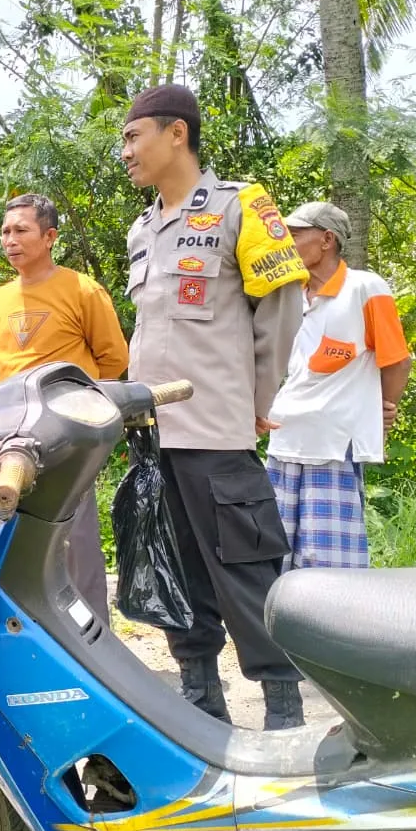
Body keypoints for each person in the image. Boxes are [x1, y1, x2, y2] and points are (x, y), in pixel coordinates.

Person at [120, 84, 309, 730]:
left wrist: (258, 400)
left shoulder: (241, 207)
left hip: (218, 433)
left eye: (133, 136)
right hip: (154, 439)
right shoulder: (142, 229)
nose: (126, 151)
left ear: (177, 133)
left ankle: (284, 713)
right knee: (175, 576)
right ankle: (204, 708)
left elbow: (281, 308)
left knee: (247, 576)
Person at [0, 193, 128, 623]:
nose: (9, 239)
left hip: (69, 436)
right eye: (4, 231)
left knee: (76, 540)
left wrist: (76, 405)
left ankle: (93, 639)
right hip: (11, 439)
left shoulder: (81, 289)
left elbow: (114, 360)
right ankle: (29, 635)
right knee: (11, 536)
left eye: (21, 230)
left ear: (50, 236)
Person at [266, 202, 412, 570]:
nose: (287, 243)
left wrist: (384, 409)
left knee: (327, 564)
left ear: (326, 239)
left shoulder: (365, 287)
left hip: (331, 446)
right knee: (275, 556)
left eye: (296, 235)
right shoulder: (290, 294)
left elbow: (396, 359)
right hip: (284, 440)